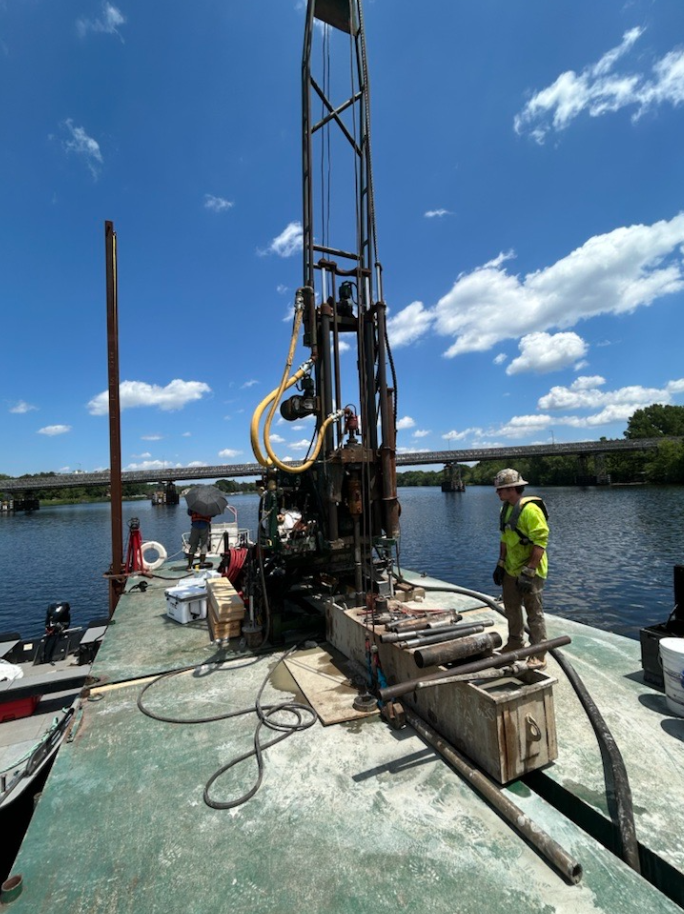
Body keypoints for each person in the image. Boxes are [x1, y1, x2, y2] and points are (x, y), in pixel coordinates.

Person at [492, 468, 549, 670]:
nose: (497, 492)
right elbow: (505, 538)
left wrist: (530, 570)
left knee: (534, 612)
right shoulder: (505, 509)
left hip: (530, 571)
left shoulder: (531, 510)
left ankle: (538, 654)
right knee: (511, 607)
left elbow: (540, 541)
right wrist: (501, 563)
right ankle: (515, 642)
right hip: (511, 569)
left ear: (512, 489)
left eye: (501, 489)